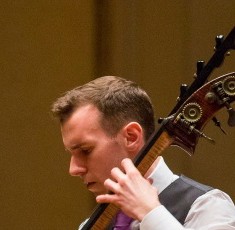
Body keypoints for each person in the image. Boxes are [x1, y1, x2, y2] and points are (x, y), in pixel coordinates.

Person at [51, 76, 235, 230]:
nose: (74, 169)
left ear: (131, 137)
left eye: (85, 150)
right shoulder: (92, 225)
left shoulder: (207, 207)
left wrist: (151, 214)